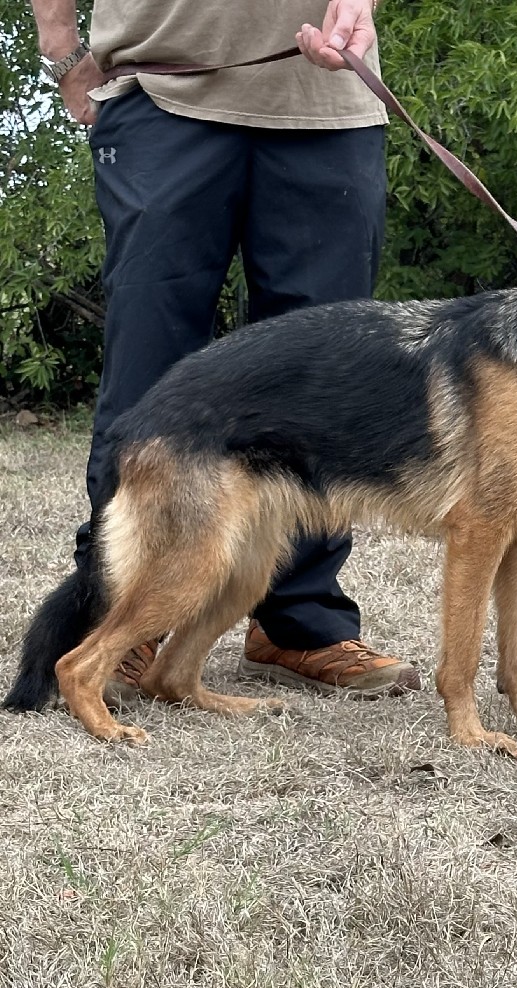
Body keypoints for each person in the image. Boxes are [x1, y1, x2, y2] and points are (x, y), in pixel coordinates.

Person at [31, 0, 420, 698]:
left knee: (323, 384)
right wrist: (60, 46)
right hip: (160, 88)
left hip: (326, 102)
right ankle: (121, 620)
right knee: (147, 374)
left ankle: (299, 622)